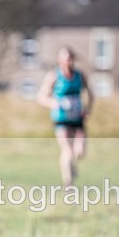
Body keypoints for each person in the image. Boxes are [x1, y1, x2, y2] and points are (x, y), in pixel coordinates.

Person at [38, 47, 94, 187]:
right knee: (67, 150)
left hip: (77, 118)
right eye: (64, 58)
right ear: (59, 60)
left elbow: (91, 94)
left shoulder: (80, 76)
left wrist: (88, 109)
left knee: (79, 151)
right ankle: (68, 183)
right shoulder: (54, 76)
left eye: (69, 58)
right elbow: (41, 97)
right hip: (61, 118)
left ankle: (71, 167)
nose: (67, 61)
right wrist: (53, 103)